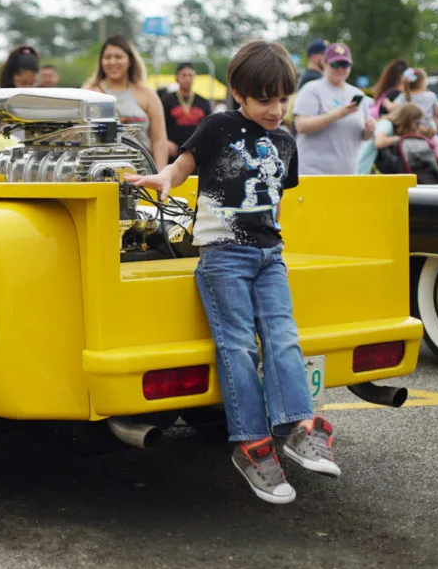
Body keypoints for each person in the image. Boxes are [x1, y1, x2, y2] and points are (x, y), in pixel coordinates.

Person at [124, 40, 339, 504]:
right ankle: (251, 447)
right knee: (238, 346)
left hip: (270, 256)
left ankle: (297, 428)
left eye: (284, 99)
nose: (276, 110)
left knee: (283, 338)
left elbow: (276, 198)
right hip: (223, 256)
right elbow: (183, 166)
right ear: (239, 93)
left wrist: (274, 241)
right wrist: (164, 178)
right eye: (265, 100)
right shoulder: (218, 126)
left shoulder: (285, 140)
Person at [83, 34, 172, 169]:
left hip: (141, 172)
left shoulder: (147, 94)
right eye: (107, 57)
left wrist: (159, 174)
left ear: (130, 60)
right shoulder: (88, 93)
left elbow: (159, 140)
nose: (112, 62)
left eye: (118, 57)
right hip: (96, 172)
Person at [293, 43, 375, 175]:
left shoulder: (358, 94)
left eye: (345, 65)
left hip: (348, 173)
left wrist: (369, 130)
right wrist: (335, 115)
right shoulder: (311, 89)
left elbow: (363, 136)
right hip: (313, 173)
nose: (340, 69)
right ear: (325, 64)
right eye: (335, 64)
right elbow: (301, 126)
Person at [372, 102, 438, 184]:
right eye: (416, 124)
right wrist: (397, 139)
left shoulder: (394, 128)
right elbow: (378, 142)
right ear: (408, 120)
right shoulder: (386, 123)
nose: (416, 127)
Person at [158, 62, 213, 158]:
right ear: (177, 77)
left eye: (190, 75)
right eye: (184, 75)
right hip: (173, 152)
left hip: (197, 152)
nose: (187, 79)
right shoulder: (166, 101)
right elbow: (158, 125)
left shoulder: (203, 102)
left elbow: (209, 127)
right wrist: (164, 142)